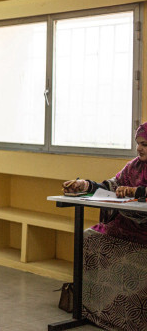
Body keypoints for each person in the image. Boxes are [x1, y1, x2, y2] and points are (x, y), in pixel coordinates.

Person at [62, 122, 147, 330]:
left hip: (143, 233)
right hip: (123, 226)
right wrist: (86, 185)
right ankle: (93, 311)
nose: (140, 148)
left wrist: (136, 192)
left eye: (145, 143)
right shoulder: (133, 166)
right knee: (88, 238)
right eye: (138, 144)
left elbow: (139, 191)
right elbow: (111, 185)